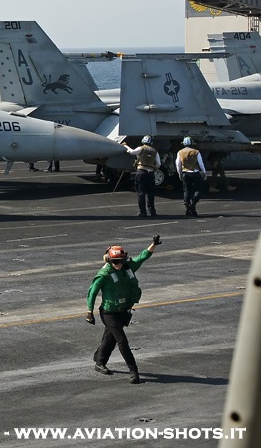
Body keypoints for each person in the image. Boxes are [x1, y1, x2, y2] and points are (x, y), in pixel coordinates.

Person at [86, 236, 161, 384]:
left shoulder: (128, 267)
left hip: (123, 310)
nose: (118, 264)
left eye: (120, 261)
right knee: (122, 341)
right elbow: (92, 292)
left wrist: (153, 245)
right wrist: (89, 312)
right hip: (109, 312)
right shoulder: (104, 275)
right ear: (108, 260)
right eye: (115, 262)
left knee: (110, 338)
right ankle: (134, 371)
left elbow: (142, 257)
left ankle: (99, 361)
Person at [124, 136, 161, 217]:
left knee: (141, 193)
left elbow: (132, 152)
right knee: (150, 193)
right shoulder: (155, 151)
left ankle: (143, 212)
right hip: (150, 173)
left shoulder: (141, 148)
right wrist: (153, 169)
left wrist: (125, 146)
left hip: (141, 172)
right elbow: (158, 164)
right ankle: (152, 212)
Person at [175, 136, 207, 217]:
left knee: (186, 191)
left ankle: (187, 208)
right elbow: (201, 164)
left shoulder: (180, 152)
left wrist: (180, 174)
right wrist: (204, 173)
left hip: (185, 173)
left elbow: (178, 164)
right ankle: (193, 205)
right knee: (199, 190)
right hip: (195, 173)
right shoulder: (196, 152)